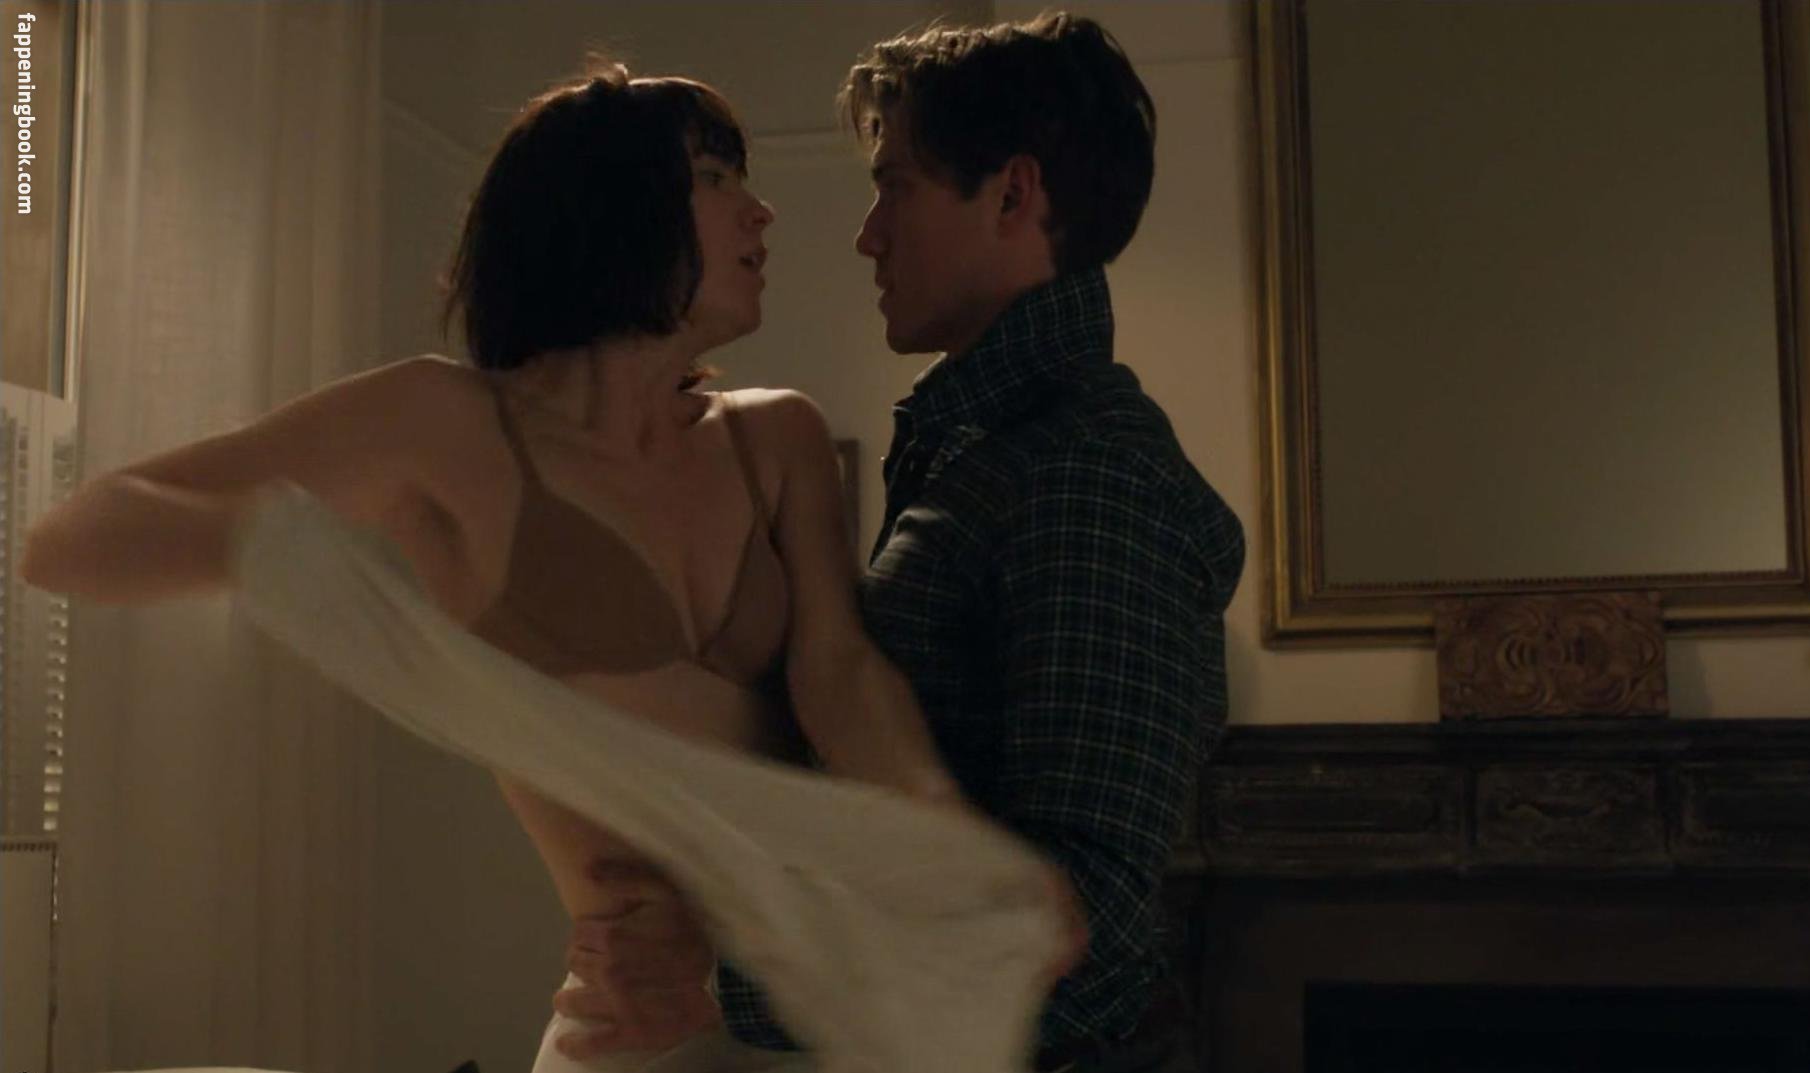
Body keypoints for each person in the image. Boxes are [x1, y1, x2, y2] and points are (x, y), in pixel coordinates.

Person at [23, 66, 1067, 1072]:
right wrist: (294, 563)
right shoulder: (447, 427)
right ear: (606, 208)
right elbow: (71, 535)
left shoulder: (777, 437)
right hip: (635, 1030)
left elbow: (838, 673)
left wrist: (946, 840)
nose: (761, 211)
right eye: (714, 177)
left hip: (813, 1002)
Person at [565, 14, 1246, 1073]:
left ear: (1012, 196)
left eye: (896, 187)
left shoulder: (1088, 471)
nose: (867, 234)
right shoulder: (986, 452)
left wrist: (727, 971)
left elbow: (1091, 946)